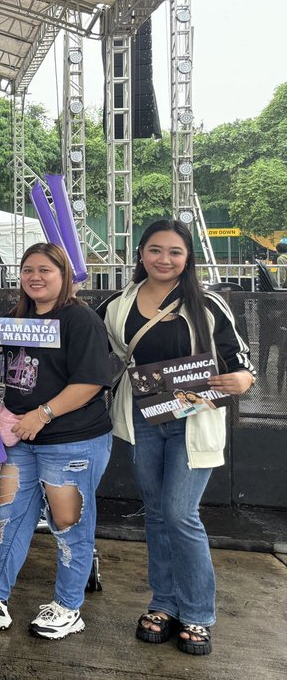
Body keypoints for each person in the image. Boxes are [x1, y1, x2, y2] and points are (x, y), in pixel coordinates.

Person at [98, 219, 255, 657]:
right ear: (141, 254)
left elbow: (240, 357)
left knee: (179, 513)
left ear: (188, 258)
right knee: (155, 513)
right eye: (154, 250)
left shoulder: (207, 303)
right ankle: (163, 603)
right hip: (143, 418)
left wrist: (243, 378)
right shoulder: (118, 304)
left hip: (194, 419)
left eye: (174, 252)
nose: (163, 259)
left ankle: (198, 613)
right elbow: (84, 342)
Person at [0, 243, 112, 640]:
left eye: (45, 270)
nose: (35, 277)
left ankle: (68, 607)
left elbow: (90, 382)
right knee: (11, 519)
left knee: (69, 524)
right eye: (27, 270)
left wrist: (44, 414)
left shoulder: (80, 320)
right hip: (22, 439)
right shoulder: (19, 317)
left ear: (64, 275)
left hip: (71, 441)